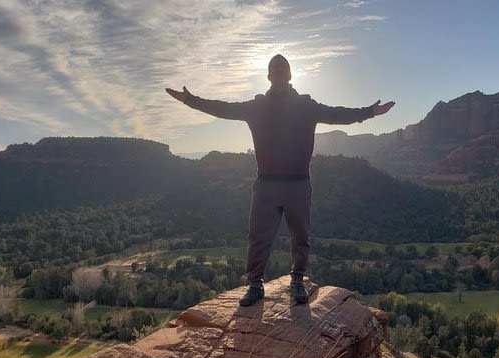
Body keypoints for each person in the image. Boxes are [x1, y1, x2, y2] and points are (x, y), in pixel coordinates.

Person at [166, 54, 394, 306]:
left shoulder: (306, 105)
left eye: (281, 67)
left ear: (289, 74)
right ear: (268, 75)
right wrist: (191, 101)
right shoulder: (256, 107)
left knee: (300, 236)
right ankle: (255, 284)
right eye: (274, 68)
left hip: (298, 183)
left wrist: (370, 112)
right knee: (258, 236)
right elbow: (223, 108)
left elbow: (337, 114)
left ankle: (297, 281)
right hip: (266, 184)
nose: (278, 71)